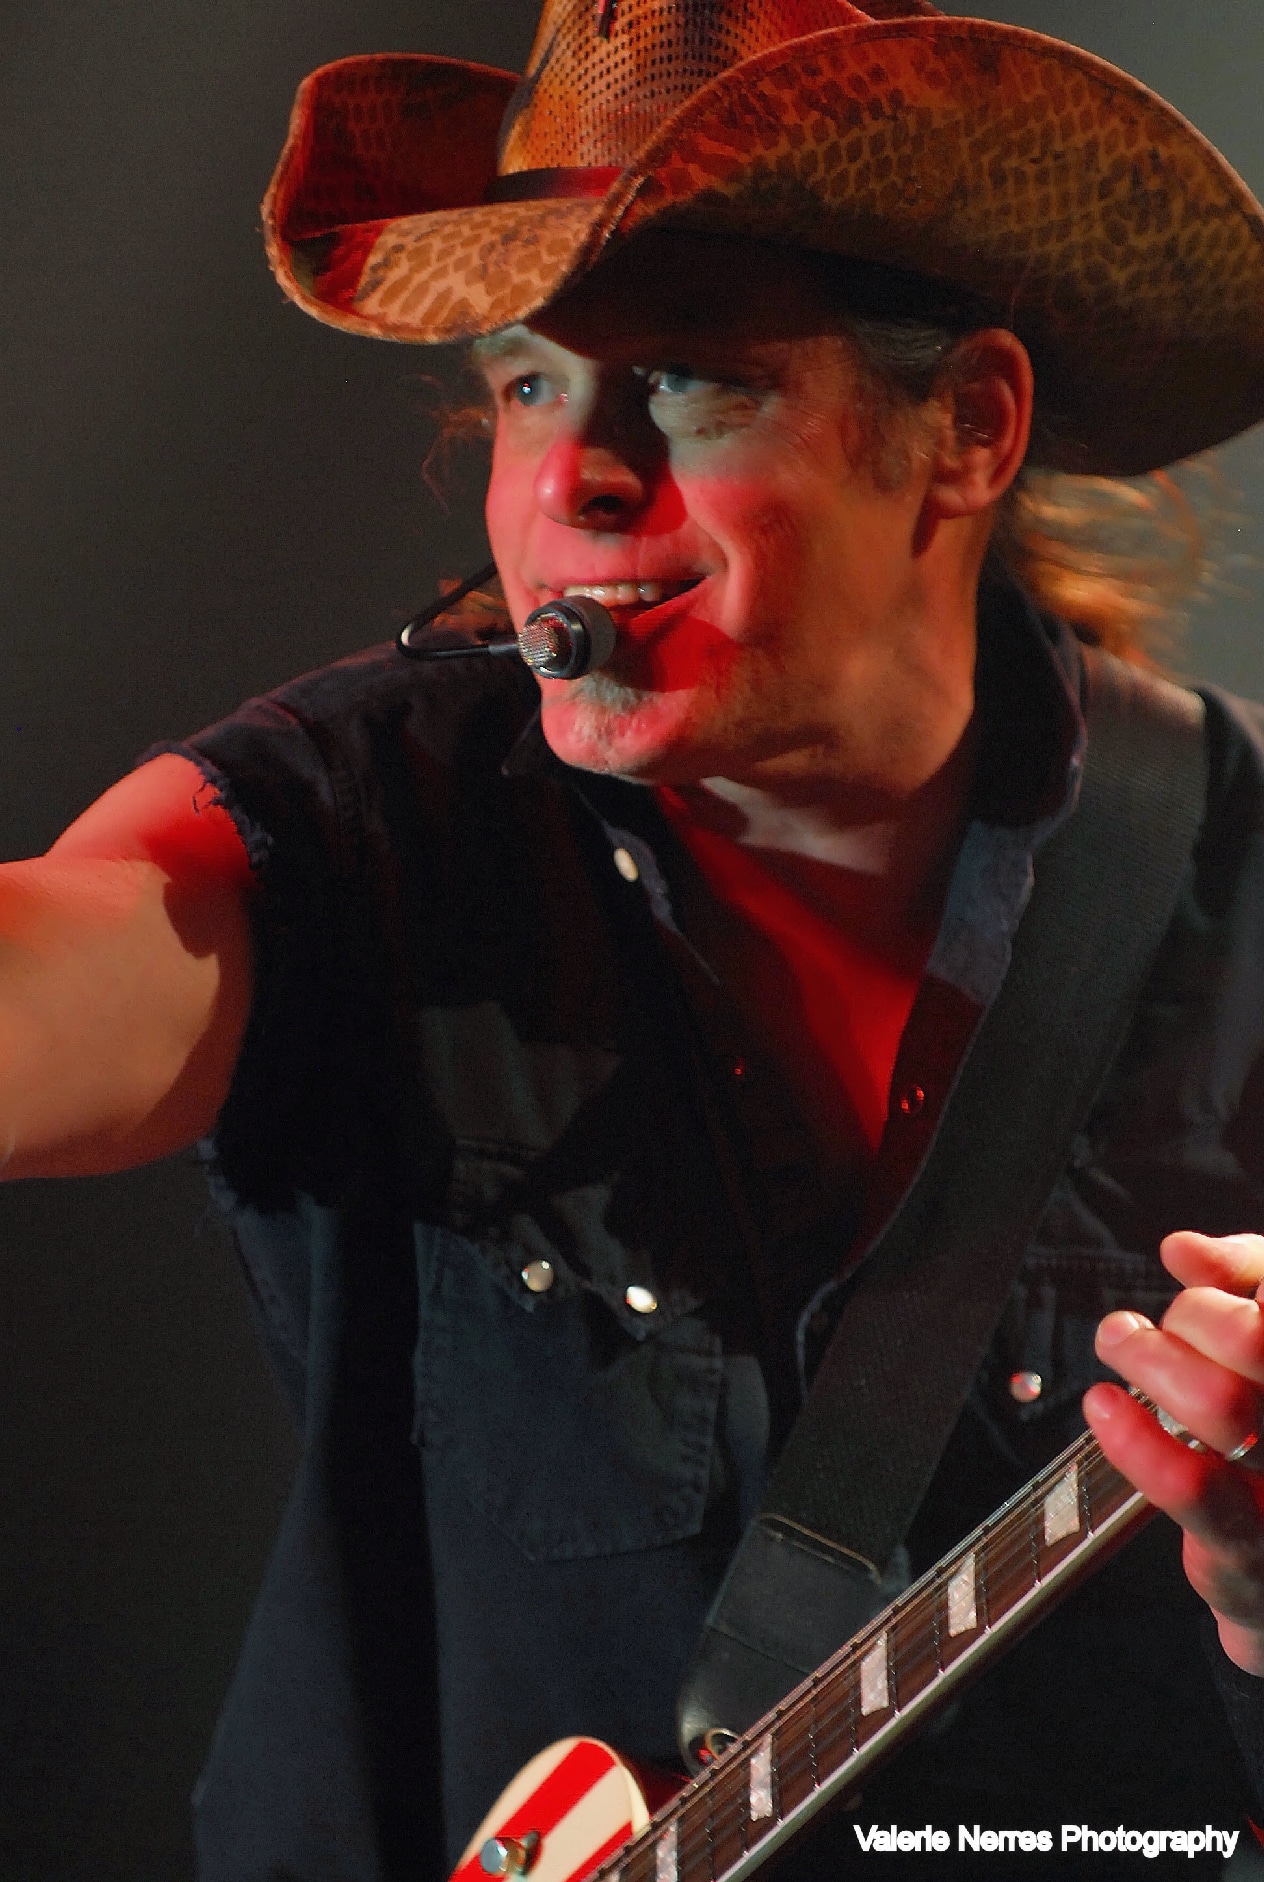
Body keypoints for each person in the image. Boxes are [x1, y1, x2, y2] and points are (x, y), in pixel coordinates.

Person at [10, 0, 1264, 1874]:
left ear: (970, 426)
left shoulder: (1235, 875)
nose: (571, 479)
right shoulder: (374, 819)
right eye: (528, 385)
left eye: (688, 381)